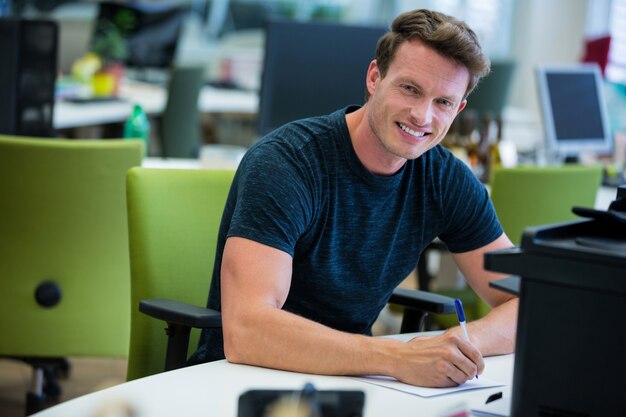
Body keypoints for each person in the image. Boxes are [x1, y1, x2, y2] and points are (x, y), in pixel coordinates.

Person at [189, 8, 518, 388]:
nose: (422, 116)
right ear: (375, 78)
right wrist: (397, 357)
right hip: (240, 381)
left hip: (353, 381)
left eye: (443, 102)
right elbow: (247, 329)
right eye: (410, 89)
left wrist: (457, 345)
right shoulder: (288, 162)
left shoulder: (446, 179)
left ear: (459, 109)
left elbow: (526, 303)